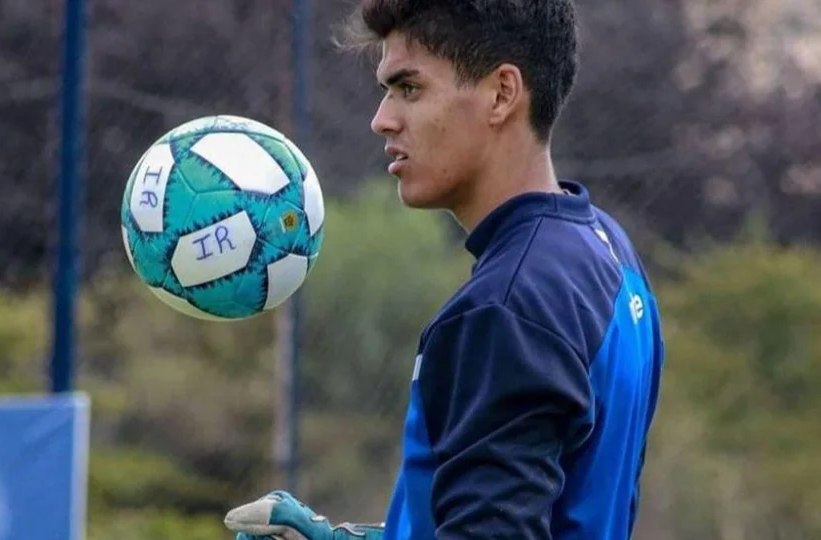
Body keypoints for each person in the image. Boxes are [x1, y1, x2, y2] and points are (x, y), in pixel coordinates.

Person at [224, 0, 665, 538]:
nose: (382, 119)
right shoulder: (608, 253)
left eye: (409, 88)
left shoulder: (505, 307)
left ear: (501, 93)